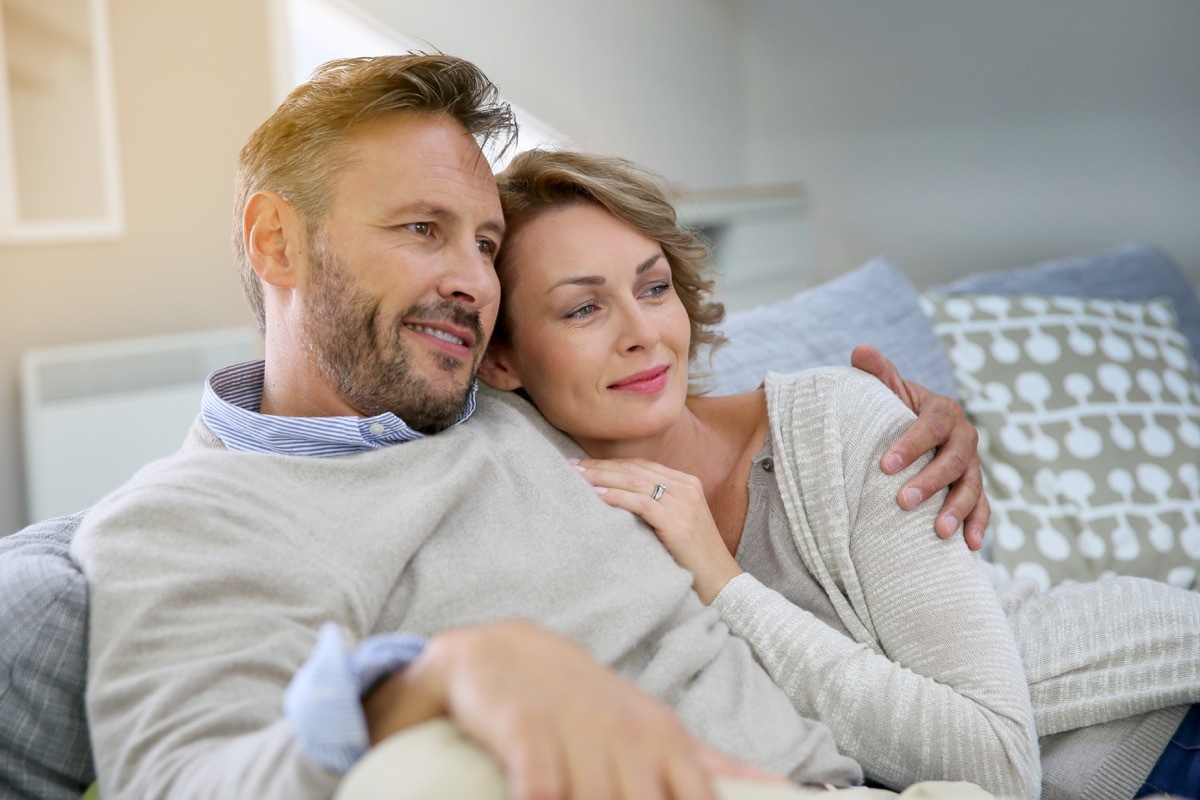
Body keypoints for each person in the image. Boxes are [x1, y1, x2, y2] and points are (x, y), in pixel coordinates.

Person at [69, 55, 992, 800]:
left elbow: (670, 373)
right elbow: (185, 776)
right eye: (422, 228)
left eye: (482, 244)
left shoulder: (505, 404)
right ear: (277, 241)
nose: (474, 280)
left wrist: (913, 417)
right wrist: (424, 682)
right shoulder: (187, 519)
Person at [479, 147, 1200, 800]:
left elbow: (998, 767)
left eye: (655, 288)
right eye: (583, 308)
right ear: (501, 360)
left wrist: (723, 584)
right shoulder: (542, 495)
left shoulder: (833, 422)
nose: (642, 333)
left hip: (1157, 715)